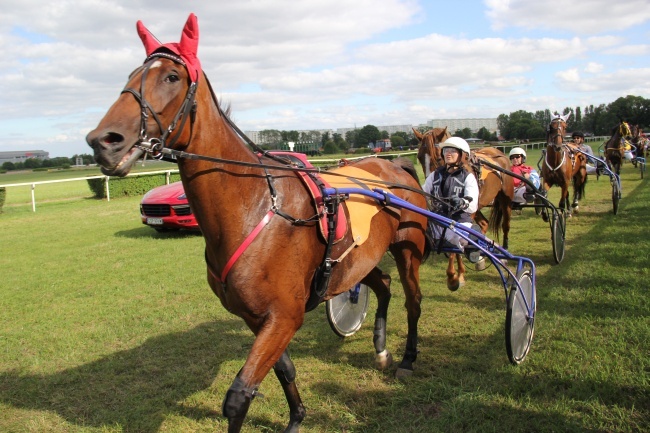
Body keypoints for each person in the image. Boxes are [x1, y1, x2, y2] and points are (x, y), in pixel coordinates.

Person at [423, 137, 481, 261]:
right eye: (446, 150)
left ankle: (474, 244)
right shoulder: (435, 174)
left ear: (462, 155)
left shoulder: (468, 177)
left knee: (465, 236)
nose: (448, 153)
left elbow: (473, 205)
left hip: (458, 222)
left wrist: (462, 202)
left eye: (453, 150)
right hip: (436, 221)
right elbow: (423, 192)